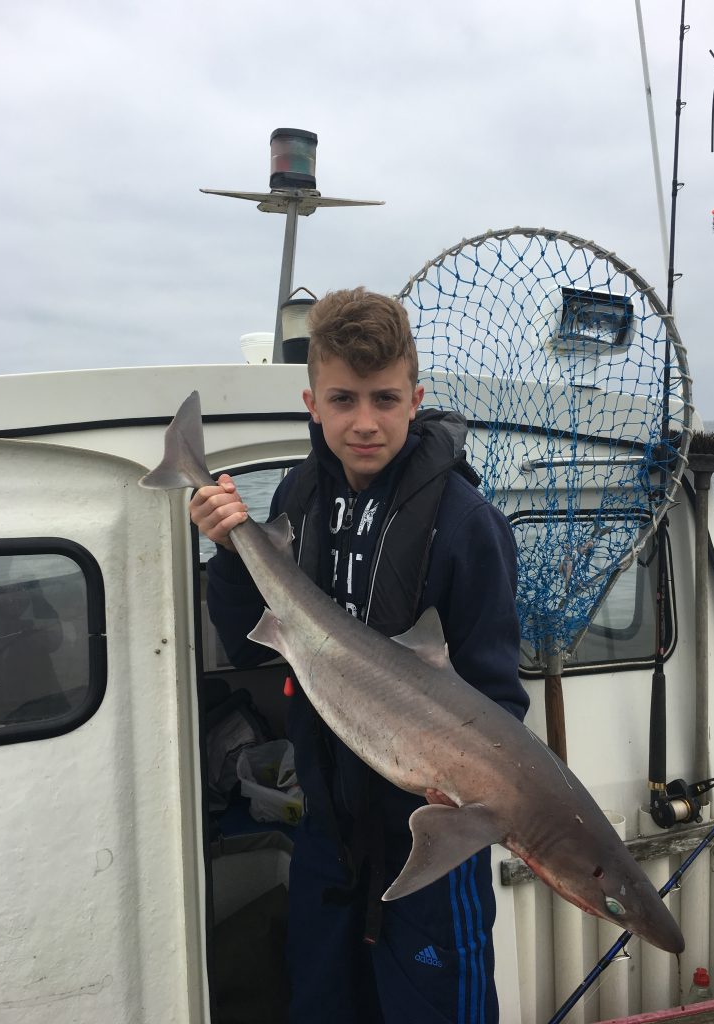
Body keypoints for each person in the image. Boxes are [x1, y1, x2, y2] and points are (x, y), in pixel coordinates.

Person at [190, 287, 529, 1024]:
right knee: (320, 1005)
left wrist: (466, 790)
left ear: (416, 398)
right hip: (323, 829)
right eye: (344, 400)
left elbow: (499, 699)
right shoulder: (298, 494)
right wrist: (226, 553)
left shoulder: (469, 527)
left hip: (433, 836)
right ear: (312, 402)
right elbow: (258, 627)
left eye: (384, 398)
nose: (365, 422)